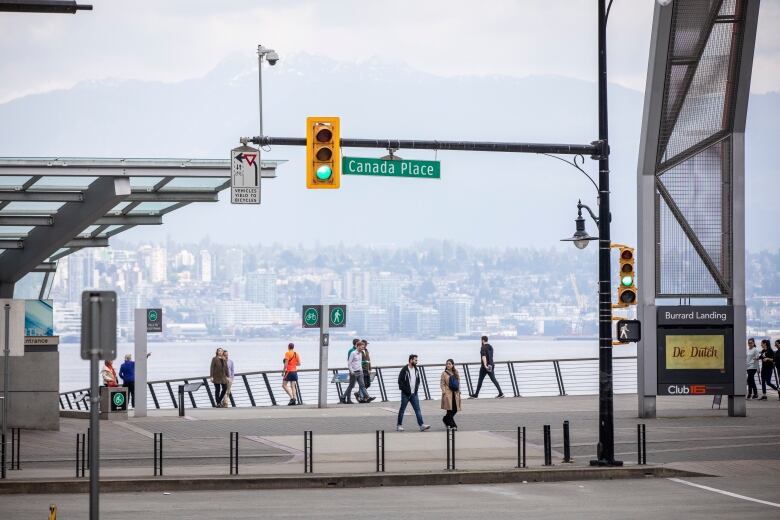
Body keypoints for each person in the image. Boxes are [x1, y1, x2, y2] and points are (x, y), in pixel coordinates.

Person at [396, 354, 430, 432]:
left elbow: (418, 380)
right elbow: (400, 382)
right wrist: (405, 390)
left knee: (417, 410)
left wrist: (416, 389)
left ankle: (421, 425)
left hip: (414, 394)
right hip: (405, 394)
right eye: (415, 360)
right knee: (402, 410)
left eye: (417, 360)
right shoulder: (404, 369)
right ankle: (399, 425)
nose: (416, 361)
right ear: (411, 360)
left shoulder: (416, 369)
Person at [440, 359, 462, 430]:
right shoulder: (444, 373)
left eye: (449, 364)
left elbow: (458, 382)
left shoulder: (456, 372)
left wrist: (459, 390)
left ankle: (445, 419)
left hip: (455, 393)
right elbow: (442, 383)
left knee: (455, 409)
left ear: (453, 365)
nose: (448, 365)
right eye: (447, 364)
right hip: (448, 393)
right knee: (449, 410)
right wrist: (444, 391)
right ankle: (453, 425)